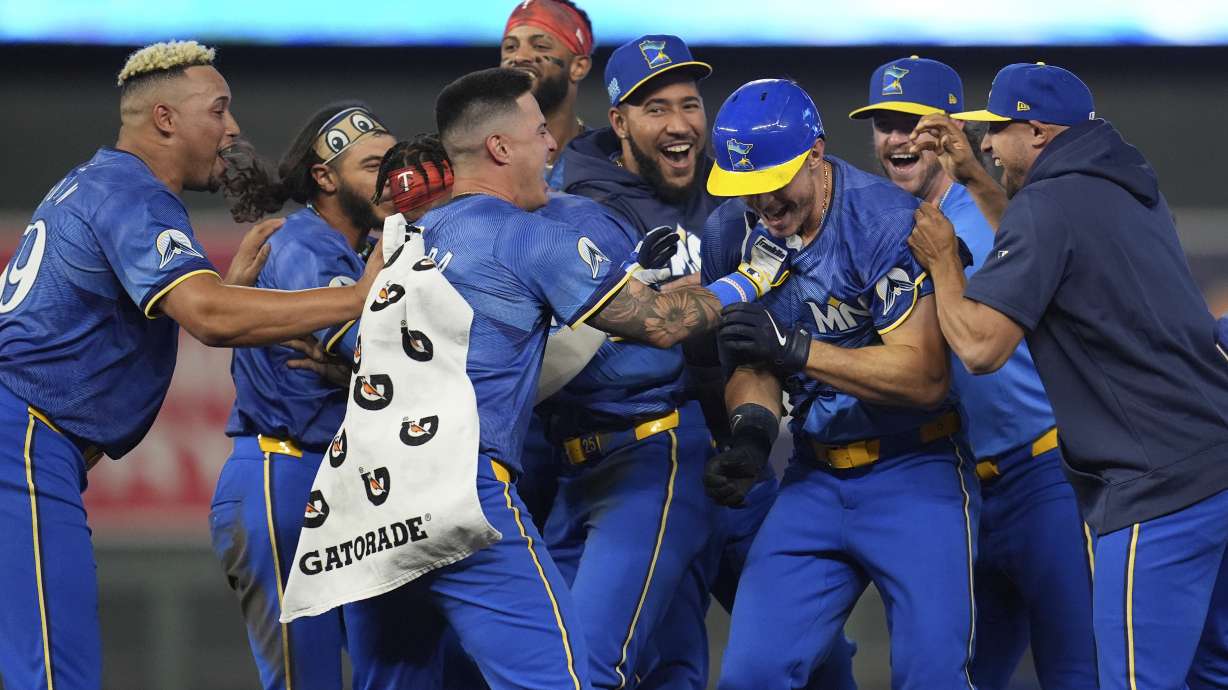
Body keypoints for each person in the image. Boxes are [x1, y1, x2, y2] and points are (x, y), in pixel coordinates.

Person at [331, 66, 787, 690]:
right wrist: (752, 276)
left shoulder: (404, 242)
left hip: (360, 496)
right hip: (460, 483)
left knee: (405, 678)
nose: (553, 146)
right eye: (540, 132)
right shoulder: (532, 236)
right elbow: (658, 323)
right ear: (500, 147)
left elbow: (357, 344)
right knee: (563, 680)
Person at [0, 40, 382, 690]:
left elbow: (189, 316)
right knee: (54, 677)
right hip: (21, 441)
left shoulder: (92, 180)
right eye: (218, 109)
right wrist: (359, 295)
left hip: (29, 440)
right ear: (166, 119)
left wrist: (226, 290)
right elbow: (207, 315)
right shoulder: (133, 192)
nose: (231, 128)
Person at [908, 61, 1228, 690]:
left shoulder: (1049, 207)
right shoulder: (1127, 182)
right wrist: (976, 181)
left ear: (1039, 132)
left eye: (998, 130)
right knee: (1211, 673)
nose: (988, 144)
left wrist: (946, 263)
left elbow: (979, 349)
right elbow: (1044, 247)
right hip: (1216, 461)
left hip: (1156, 485)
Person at [702, 78, 979, 690]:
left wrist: (798, 348)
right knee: (750, 674)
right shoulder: (732, 231)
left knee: (931, 677)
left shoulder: (887, 222)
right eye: (747, 190)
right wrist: (750, 434)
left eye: (773, 182)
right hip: (815, 476)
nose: (763, 204)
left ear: (817, 155)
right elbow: (753, 356)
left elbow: (925, 376)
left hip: (916, 469)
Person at [850, 55, 1095, 689]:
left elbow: (980, 351)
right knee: (961, 674)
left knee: (1076, 670)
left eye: (915, 123)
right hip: (961, 486)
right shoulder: (879, 230)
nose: (897, 138)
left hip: (1044, 474)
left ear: (953, 130)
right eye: (884, 123)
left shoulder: (1000, 217)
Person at [206, 101, 407, 690]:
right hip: (286, 471)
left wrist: (357, 374)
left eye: (393, 163)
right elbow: (363, 345)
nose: (390, 177)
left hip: (347, 482)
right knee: (306, 679)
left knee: (402, 663)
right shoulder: (299, 242)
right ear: (325, 177)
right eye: (372, 164)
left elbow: (372, 365)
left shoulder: (366, 248)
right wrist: (361, 364)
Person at [500, 0, 593, 189]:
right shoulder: (479, 157)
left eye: (541, 46)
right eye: (510, 47)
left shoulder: (605, 158)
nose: (519, 57)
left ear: (578, 67)